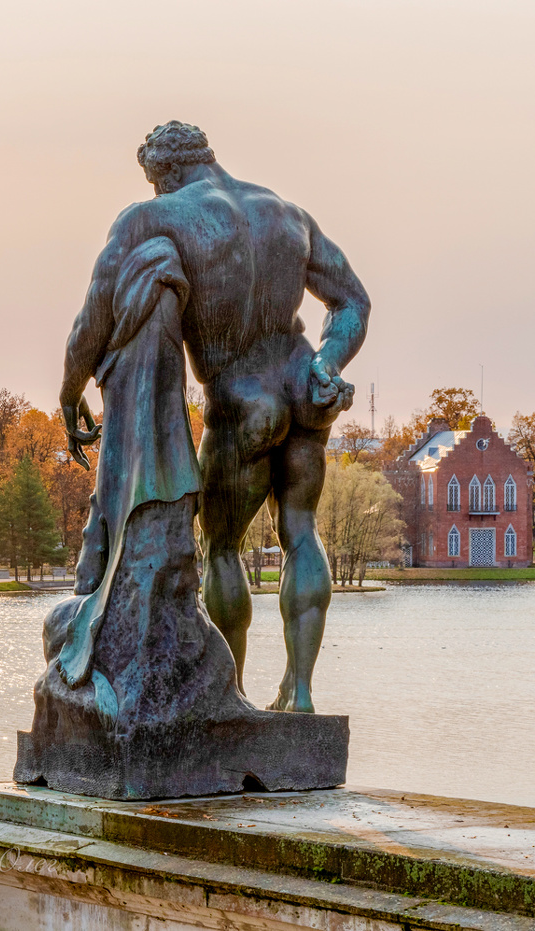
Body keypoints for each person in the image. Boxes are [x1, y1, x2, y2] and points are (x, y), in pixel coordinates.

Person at [61, 121, 369, 713]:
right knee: (301, 533)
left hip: (241, 403)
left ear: (165, 173)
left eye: (156, 183)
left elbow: (92, 320)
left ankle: (231, 697)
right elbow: (353, 302)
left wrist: (70, 390)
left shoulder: (152, 218)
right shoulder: (287, 215)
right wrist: (326, 363)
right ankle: (301, 693)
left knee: (222, 549)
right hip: (303, 384)